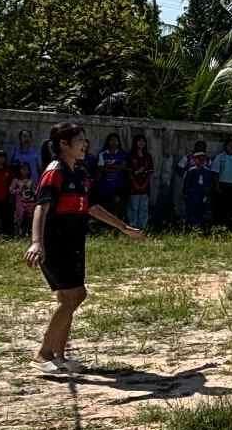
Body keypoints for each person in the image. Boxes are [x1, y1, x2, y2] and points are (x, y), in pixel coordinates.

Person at [27, 121, 145, 376]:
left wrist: (123, 227)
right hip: (55, 243)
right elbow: (41, 207)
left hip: (75, 243)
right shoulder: (54, 171)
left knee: (72, 297)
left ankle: (58, 355)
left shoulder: (80, 172)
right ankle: (44, 354)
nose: (85, 144)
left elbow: (92, 207)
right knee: (74, 295)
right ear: (63, 144)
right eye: (80, 140)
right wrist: (36, 242)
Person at [211, 137, 232, 227]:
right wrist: (216, 186)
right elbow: (215, 172)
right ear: (225, 146)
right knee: (221, 208)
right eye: (229, 145)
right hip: (222, 186)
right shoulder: (220, 157)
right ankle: (220, 227)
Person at [178, 142, 213, 230]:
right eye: (198, 147)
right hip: (192, 192)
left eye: (203, 147)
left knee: (201, 211)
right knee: (190, 211)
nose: (200, 149)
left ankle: (199, 228)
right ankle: (189, 228)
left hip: (202, 192)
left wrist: (208, 193)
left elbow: (210, 178)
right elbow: (179, 169)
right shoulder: (188, 159)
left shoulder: (208, 162)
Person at [125, 136, 154, 232]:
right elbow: (129, 173)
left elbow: (150, 173)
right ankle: (133, 228)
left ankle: (143, 227)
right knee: (134, 207)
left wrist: (145, 184)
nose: (141, 143)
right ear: (135, 142)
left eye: (143, 141)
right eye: (139, 141)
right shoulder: (130, 156)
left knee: (144, 207)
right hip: (133, 187)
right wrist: (135, 184)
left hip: (145, 187)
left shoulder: (148, 156)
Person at [95, 133, 128, 217]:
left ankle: (117, 227)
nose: (114, 142)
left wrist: (108, 166)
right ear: (108, 142)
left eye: (116, 140)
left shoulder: (122, 154)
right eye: (111, 140)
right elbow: (101, 168)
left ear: (118, 142)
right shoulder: (102, 154)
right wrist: (115, 166)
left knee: (118, 206)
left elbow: (123, 167)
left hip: (118, 184)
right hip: (105, 185)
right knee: (106, 206)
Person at [10, 159, 38, 239]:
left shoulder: (31, 180)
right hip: (19, 202)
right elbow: (11, 190)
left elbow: (35, 190)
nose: (24, 171)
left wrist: (33, 191)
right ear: (19, 170)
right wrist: (19, 190)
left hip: (29, 202)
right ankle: (17, 235)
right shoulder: (16, 180)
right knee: (19, 218)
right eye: (22, 169)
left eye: (26, 169)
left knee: (29, 218)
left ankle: (28, 234)